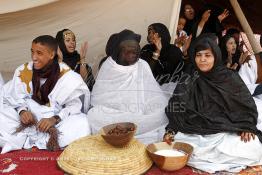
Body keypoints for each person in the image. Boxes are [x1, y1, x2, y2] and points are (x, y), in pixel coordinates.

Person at [164, 37, 262, 173]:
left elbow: (246, 105)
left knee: (251, 147)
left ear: (216, 56)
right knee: (178, 144)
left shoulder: (228, 77)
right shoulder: (190, 75)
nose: (202, 59)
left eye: (207, 55)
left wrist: (247, 126)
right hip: (195, 128)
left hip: (226, 127)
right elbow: (177, 103)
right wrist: (172, 128)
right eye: (198, 55)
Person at [0, 35, 90, 153]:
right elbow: (14, 97)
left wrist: (54, 119)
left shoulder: (67, 76)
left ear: (52, 55)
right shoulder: (24, 70)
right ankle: (28, 137)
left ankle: (43, 140)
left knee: (83, 123)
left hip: (55, 123)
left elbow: (74, 106)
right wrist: (22, 111)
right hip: (27, 122)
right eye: (32, 52)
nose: (34, 57)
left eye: (39, 53)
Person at [87, 29, 169, 144]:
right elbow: (98, 98)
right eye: (127, 47)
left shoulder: (142, 65)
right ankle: (133, 129)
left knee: (163, 112)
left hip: (139, 112)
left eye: (135, 48)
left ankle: (131, 129)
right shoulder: (109, 65)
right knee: (93, 115)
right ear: (119, 49)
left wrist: (142, 109)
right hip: (113, 114)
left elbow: (152, 93)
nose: (132, 50)